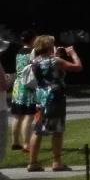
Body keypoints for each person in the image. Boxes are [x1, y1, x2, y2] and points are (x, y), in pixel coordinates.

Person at [23, 35, 82, 172]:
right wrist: (73, 54)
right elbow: (78, 67)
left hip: (41, 97)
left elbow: (46, 70)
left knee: (38, 130)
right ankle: (57, 162)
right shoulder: (56, 61)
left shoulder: (34, 62)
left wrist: (56, 55)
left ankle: (32, 162)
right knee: (57, 130)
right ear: (49, 46)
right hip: (55, 97)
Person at [8, 37, 34, 153]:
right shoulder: (33, 52)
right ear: (33, 39)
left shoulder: (18, 52)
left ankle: (14, 141)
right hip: (29, 85)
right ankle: (26, 143)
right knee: (28, 116)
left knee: (17, 115)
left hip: (18, 86)